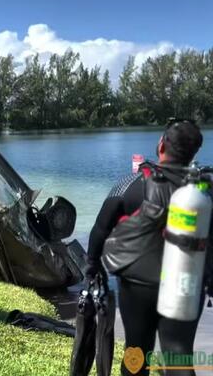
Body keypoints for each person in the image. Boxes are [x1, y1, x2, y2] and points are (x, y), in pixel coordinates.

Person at [86, 119, 206, 376]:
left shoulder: (130, 184)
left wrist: (92, 265)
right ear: (194, 152)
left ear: (161, 145)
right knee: (178, 353)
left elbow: (99, 230)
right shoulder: (204, 193)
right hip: (186, 282)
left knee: (136, 351)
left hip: (138, 284)